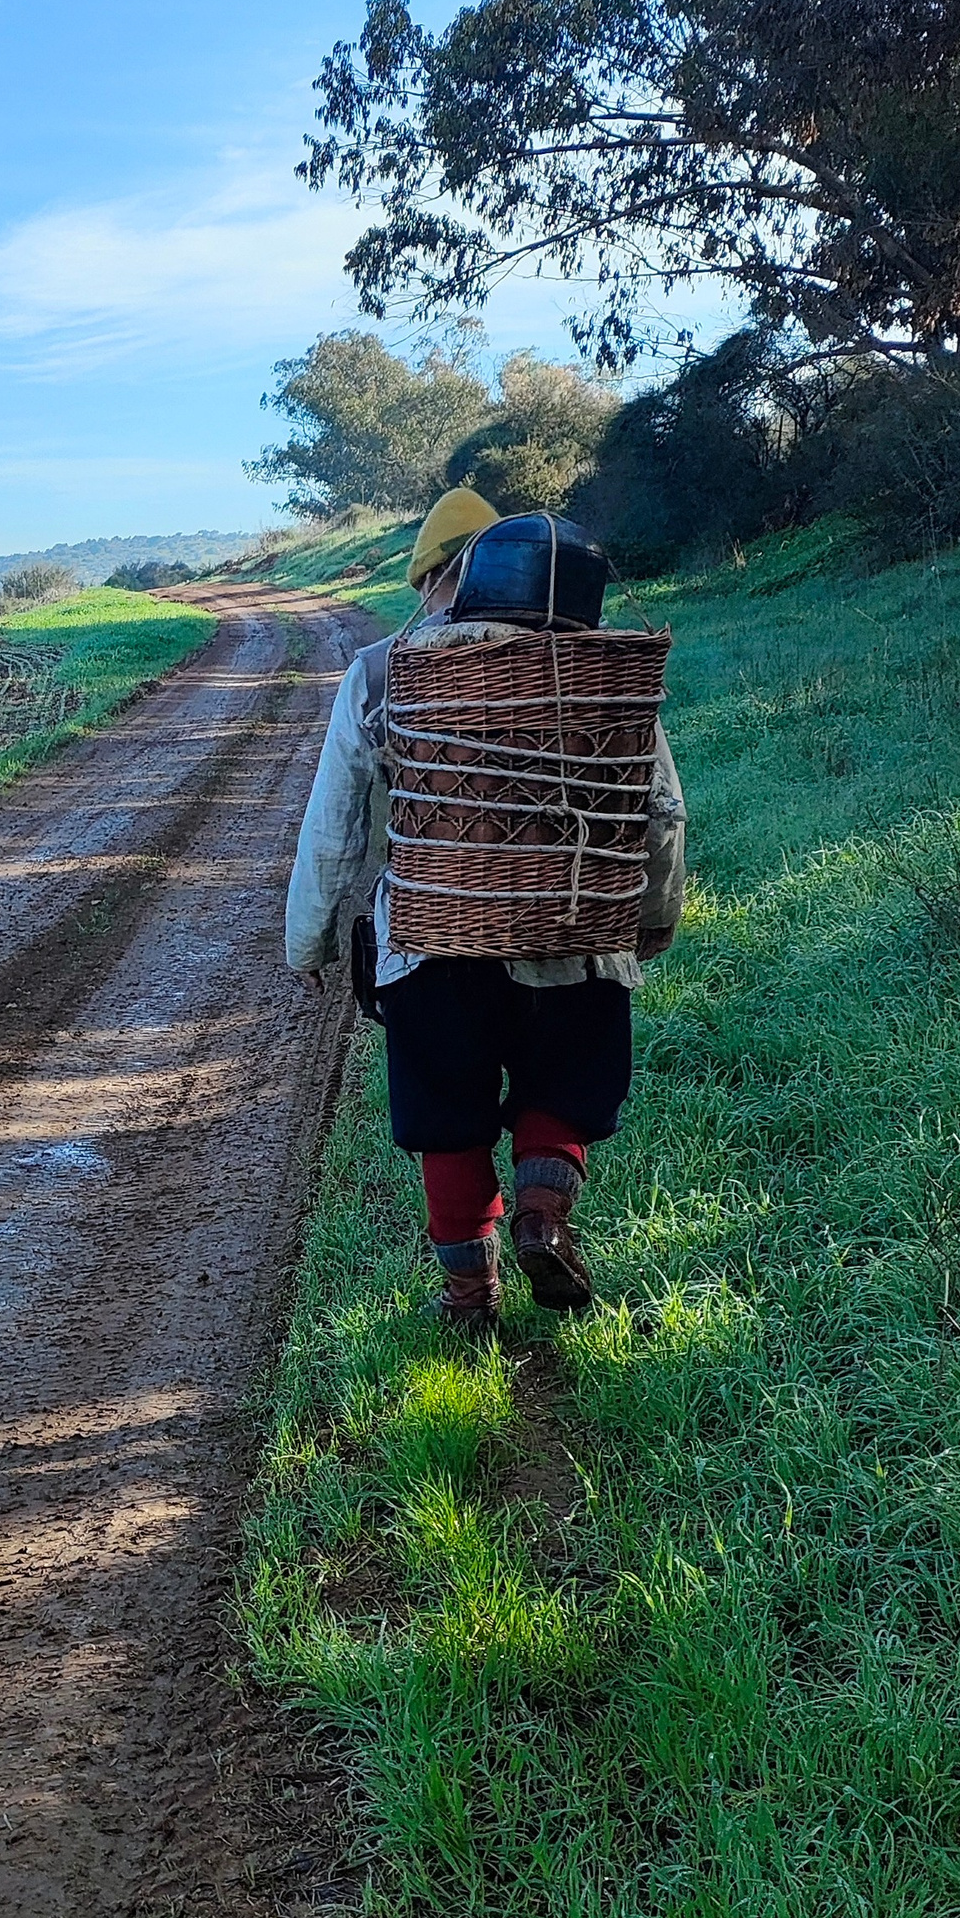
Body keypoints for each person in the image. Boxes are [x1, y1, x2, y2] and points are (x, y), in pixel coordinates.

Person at [284, 491, 686, 1330]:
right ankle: (543, 1211)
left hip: (437, 944)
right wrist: (652, 915)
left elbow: (336, 825)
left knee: (448, 1115)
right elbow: (659, 807)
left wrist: (312, 940)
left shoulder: (384, 669)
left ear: (441, 576)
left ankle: (471, 1299)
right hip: (577, 931)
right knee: (564, 1085)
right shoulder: (600, 668)